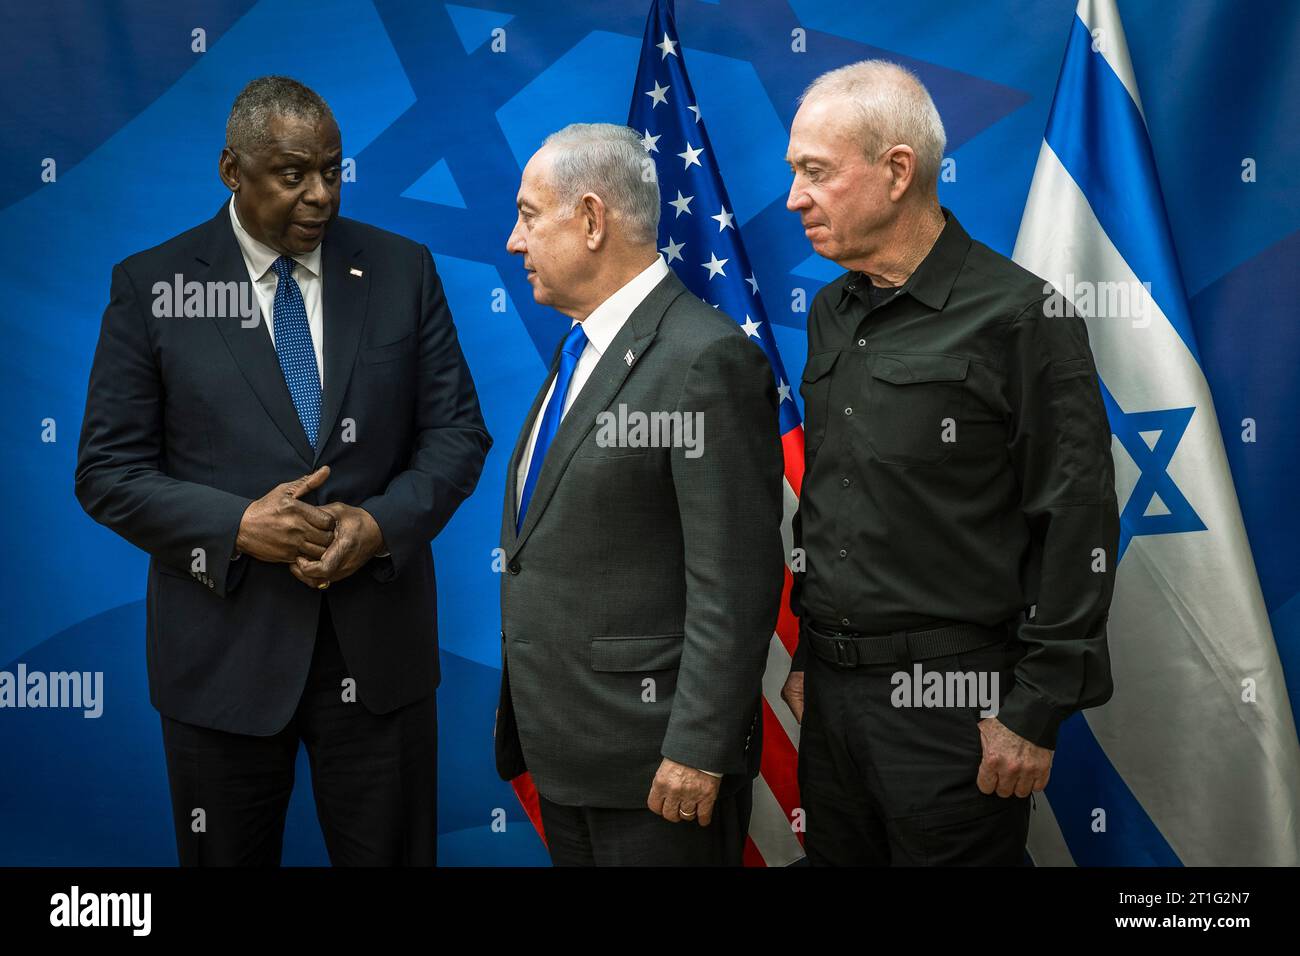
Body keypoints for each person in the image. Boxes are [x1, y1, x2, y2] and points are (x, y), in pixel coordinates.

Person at [74, 75, 491, 866]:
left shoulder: (402, 270)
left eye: (333, 171)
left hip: (378, 660)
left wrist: (377, 525)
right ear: (232, 171)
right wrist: (234, 527)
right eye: (293, 174)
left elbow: (457, 434)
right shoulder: (153, 287)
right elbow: (106, 471)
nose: (321, 195)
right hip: (222, 662)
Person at [781, 60, 1119, 865]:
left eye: (815, 172)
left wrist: (1035, 710)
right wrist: (808, 658)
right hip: (831, 696)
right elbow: (837, 504)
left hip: (954, 705)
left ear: (898, 171)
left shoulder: (1021, 316)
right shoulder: (834, 311)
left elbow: (1076, 519)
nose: (795, 197)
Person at [493, 123, 784, 866]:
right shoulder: (580, 347)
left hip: (657, 771)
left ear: (591, 220)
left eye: (529, 216)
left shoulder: (703, 359)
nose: (513, 242)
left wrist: (698, 748)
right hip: (568, 758)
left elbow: (738, 579)